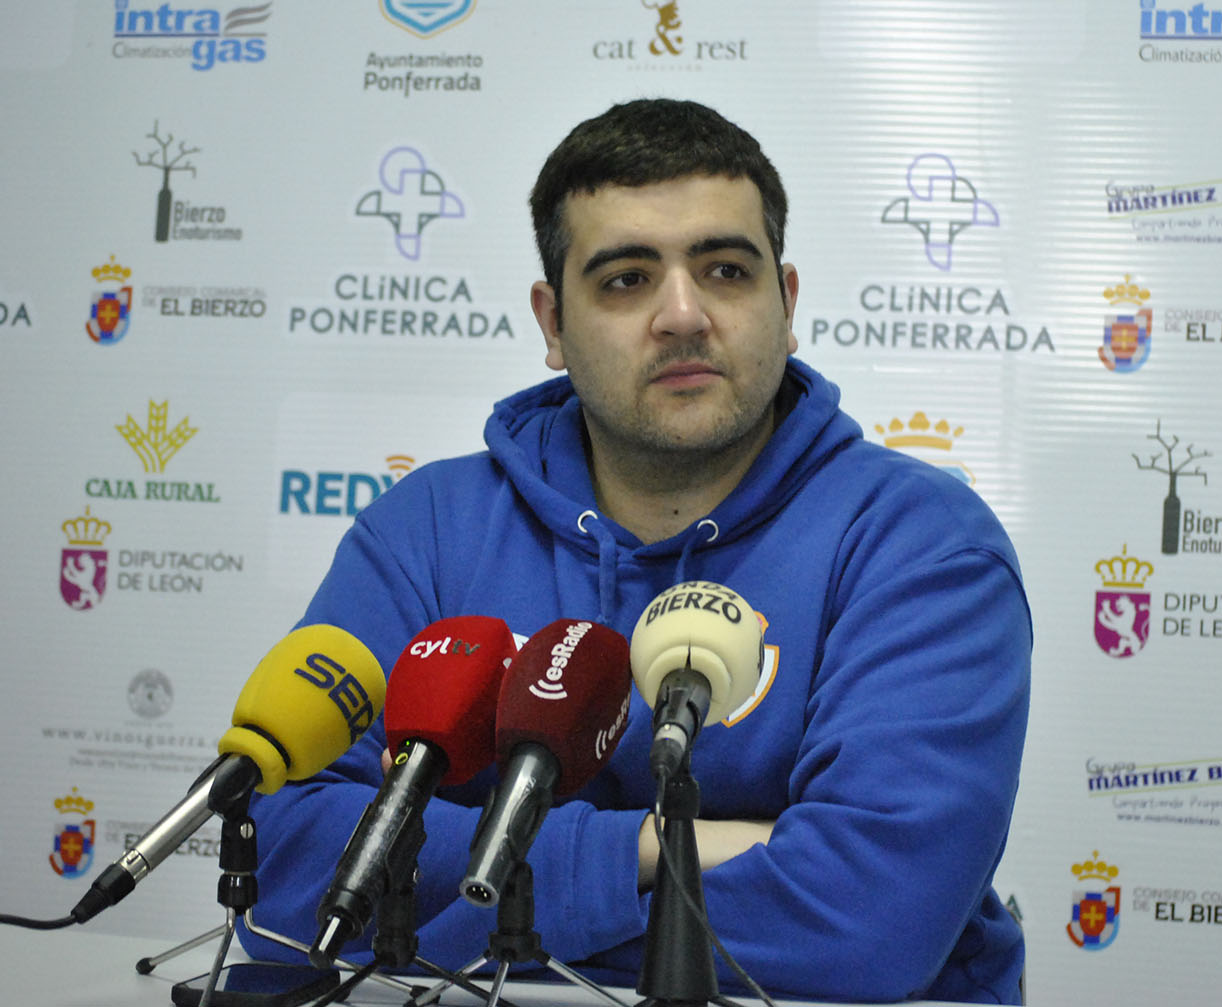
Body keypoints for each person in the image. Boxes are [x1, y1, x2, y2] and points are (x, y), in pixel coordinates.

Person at [243, 98, 1031, 1003]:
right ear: (552, 322)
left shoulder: (919, 542)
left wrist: (467, 895)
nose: (683, 314)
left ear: (787, 302)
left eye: (726, 270)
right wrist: (669, 846)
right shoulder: (426, 529)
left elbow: (871, 918)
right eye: (625, 279)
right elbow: (287, 867)